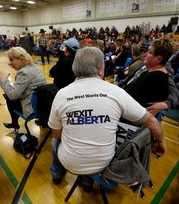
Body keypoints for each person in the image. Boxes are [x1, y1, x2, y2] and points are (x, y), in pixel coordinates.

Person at [48, 47, 167, 191]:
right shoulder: (116, 92)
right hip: (105, 163)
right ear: (100, 70)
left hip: (71, 163)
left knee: (55, 141)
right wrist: (161, 142)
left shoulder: (62, 94)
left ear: (75, 69)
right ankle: (86, 180)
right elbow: (152, 122)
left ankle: (57, 174)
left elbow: (57, 134)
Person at [0, 47, 46, 129]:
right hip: (41, 104)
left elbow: (13, 95)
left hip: (32, 107)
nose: (10, 63)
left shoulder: (24, 72)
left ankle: (14, 123)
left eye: (11, 60)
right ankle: (14, 123)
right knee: (9, 96)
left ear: (21, 58)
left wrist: (3, 80)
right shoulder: (34, 67)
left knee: (9, 98)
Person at [123, 38, 173, 108]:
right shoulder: (150, 71)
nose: (144, 55)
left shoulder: (156, 78)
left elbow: (132, 99)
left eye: (149, 52)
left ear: (159, 59)